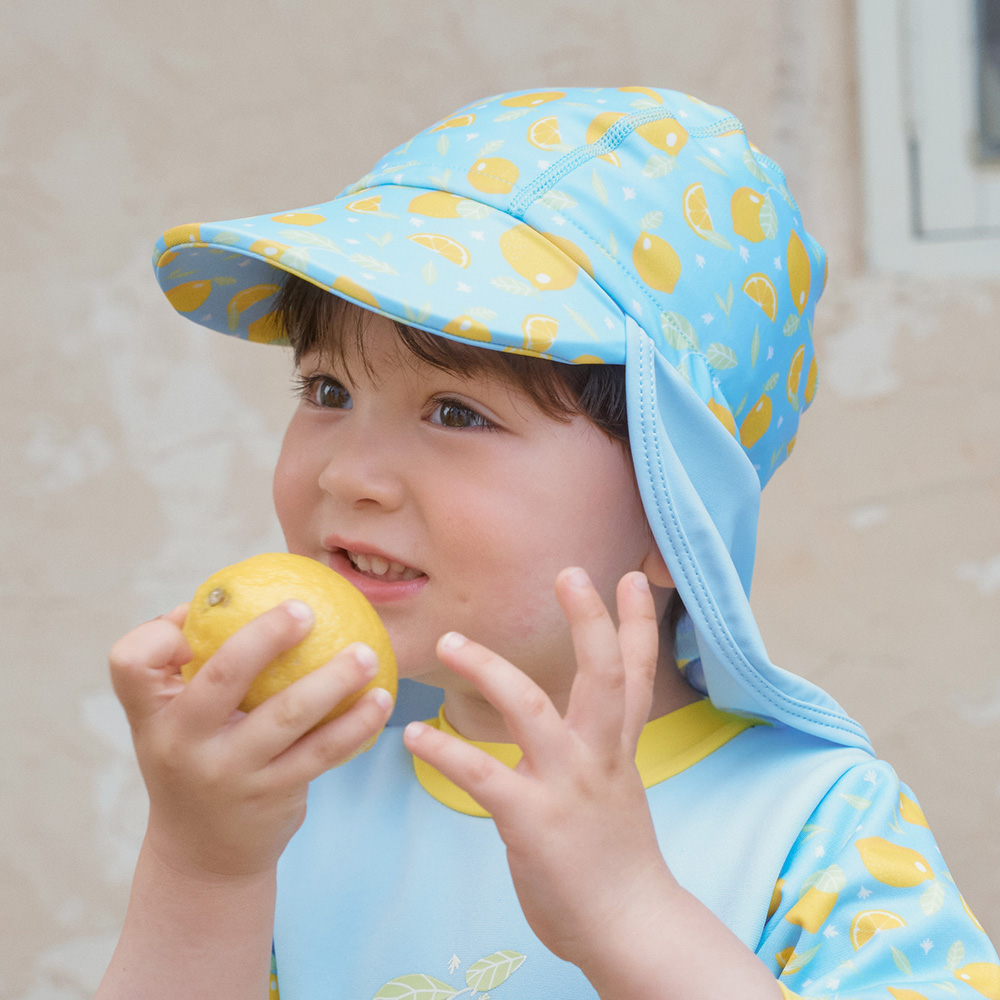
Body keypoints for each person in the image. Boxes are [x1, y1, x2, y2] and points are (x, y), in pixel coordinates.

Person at [98, 87, 999, 1000]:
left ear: (674, 512)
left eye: (456, 412)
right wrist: (201, 865)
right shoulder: (284, 800)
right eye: (328, 391)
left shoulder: (814, 826)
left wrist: (629, 914)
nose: (349, 474)